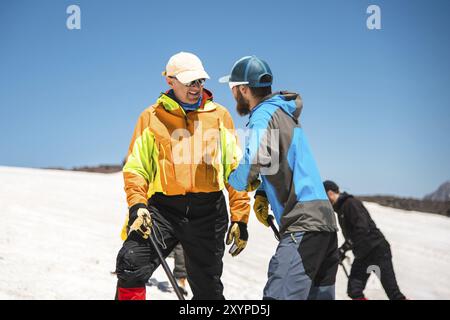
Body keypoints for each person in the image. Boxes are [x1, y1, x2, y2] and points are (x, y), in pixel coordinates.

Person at [115, 52, 250, 300]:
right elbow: (136, 167)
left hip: (208, 211)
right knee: (130, 261)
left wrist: (240, 216)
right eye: (189, 82)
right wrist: (137, 205)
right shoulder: (151, 117)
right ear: (170, 81)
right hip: (163, 209)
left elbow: (234, 168)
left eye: (199, 81)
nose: (196, 88)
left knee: (207, 289)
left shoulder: (219, 116)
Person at [221, 56, 339, 300]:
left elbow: (253, 159)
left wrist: (233, 180)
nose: (233, 96)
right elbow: (277, 158)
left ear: (243, 89)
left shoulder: (263, 115)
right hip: (325, 228)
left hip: (303, 225)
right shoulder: (284, 114)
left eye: (233, 89)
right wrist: (264, 192)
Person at [323, 180, 407, 300]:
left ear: (330, 193)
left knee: (393, 293)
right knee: (354, 290)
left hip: (377, 249)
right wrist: (344, 249)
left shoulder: (350, 203)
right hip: (363, 254)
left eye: (323, 196)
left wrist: (344, 248)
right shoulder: (341, 208)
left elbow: (362, 228)